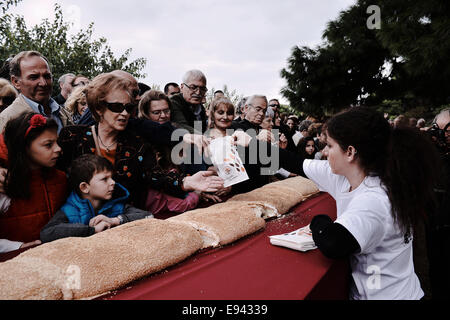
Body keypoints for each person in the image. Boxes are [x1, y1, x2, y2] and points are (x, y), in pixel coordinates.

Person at [302, 107, 440, 300]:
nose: (324, 152)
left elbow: (333, 242)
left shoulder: (375, 199)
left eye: (330, 146)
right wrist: (254, 146)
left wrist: (319, 221)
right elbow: (295, 163)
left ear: (350, 152)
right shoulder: (350, 176)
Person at [57, 72, 223, 209]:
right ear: (99, 108)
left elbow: (156, 177)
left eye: (128, 107)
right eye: (116, 107)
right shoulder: (71, 137)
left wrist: (187, 182)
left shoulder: (137, 144)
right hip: (75, 223)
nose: (124, 113)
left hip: (124, 222)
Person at [40, 154, 152, 242]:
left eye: (112, 177)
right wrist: (92, 230)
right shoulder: (70, 210)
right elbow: (47, 233)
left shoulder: (117, 205)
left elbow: (148, 216)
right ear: (84, 187)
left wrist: (115, 220)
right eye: (104, 179)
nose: (113, 182)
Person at [0, 112, 67, 253]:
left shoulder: (60, 179)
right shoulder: (4, 183)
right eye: (48, 145)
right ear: (25, 147)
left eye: (57, 142)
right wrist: (17, 247)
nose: (58, 149)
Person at [0, 51, 72, 133]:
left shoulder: (63, 114)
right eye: (34, 77)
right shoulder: (7, 120)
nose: (43, 83)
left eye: (47, 76)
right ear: (16, 82)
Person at [424, 108, 450, 299]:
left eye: (447, 131)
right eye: (439, 131)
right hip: (435, 232)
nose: (443, 136)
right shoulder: (431, 157)